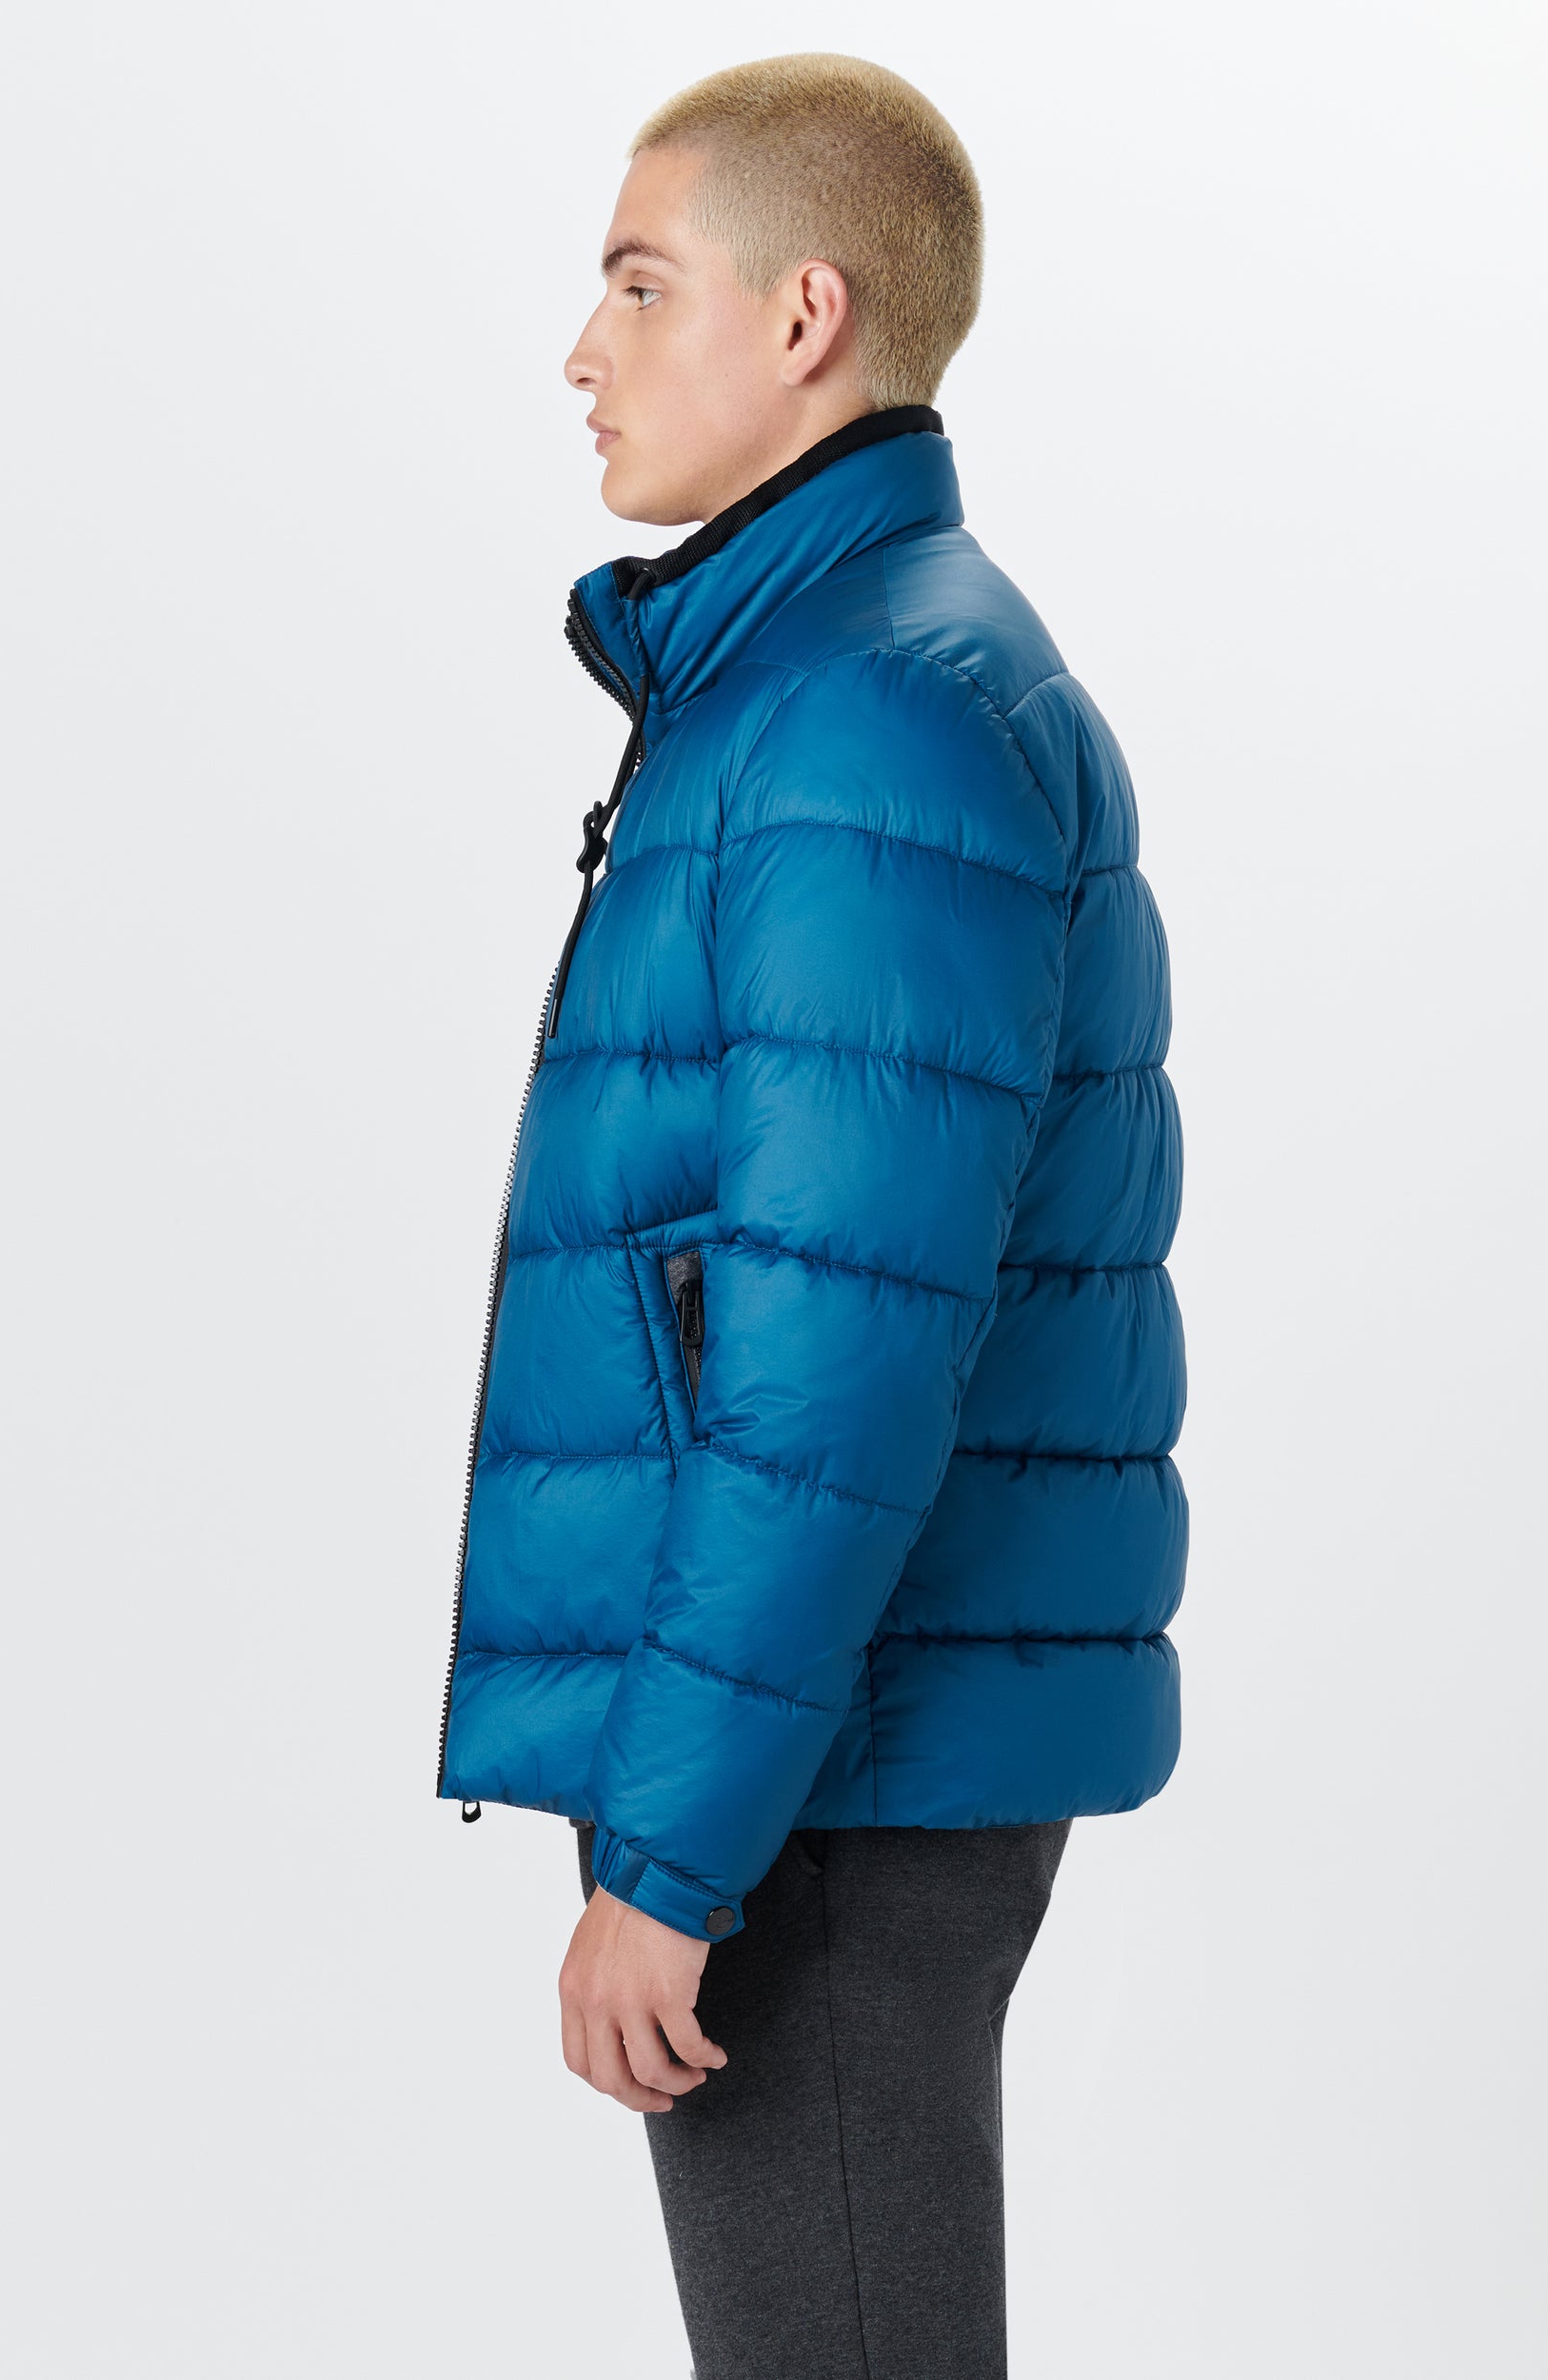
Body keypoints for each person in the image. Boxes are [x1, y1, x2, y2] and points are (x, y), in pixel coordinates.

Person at [435, 53, 1185, 2380]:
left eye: (636, 284)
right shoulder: (810, 681)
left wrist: (673, 1851)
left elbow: (832, 1355)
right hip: (825, 1740)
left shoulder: (870, 715)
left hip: (821, 1776)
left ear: (801, 317)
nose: (581, 349)